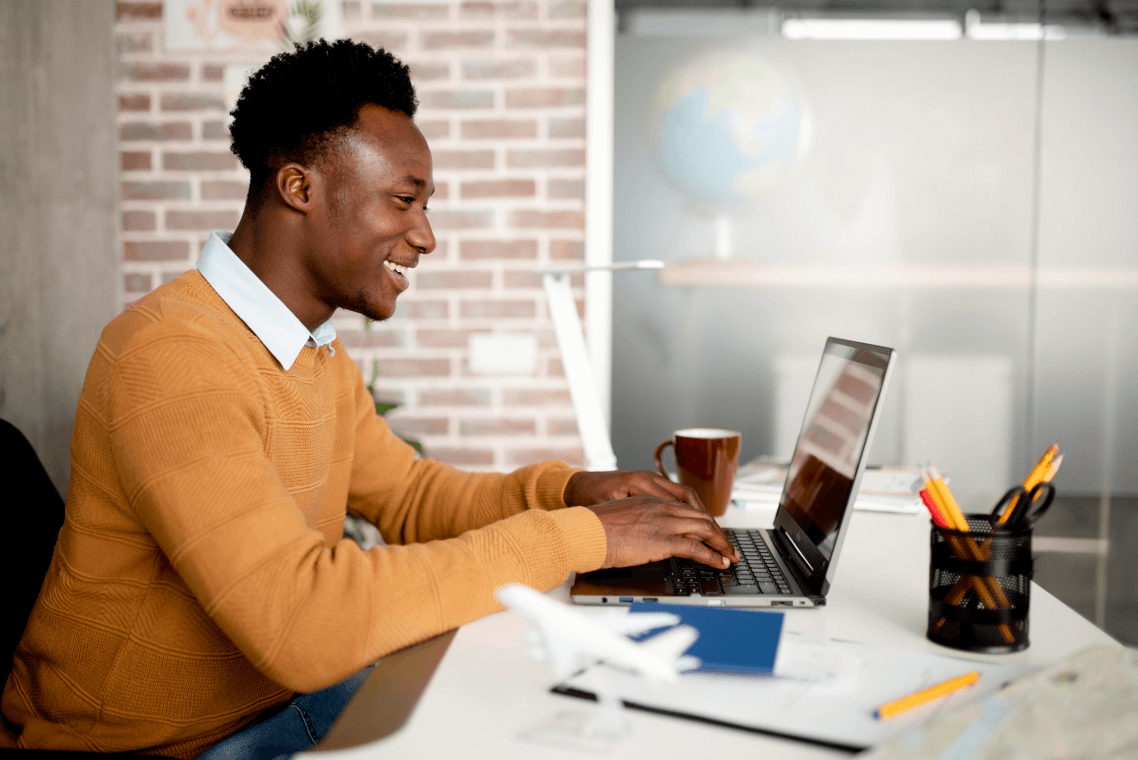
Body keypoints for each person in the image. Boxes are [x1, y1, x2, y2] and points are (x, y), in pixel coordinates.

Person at [0, 40, 737, 758]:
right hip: (165, 746)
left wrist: (572, 491)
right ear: (299, 188)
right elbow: (303, 620)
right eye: (404, 200)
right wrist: (585, 537)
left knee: (538, 695)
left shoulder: (312, 353)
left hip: (269, 708)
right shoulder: (171, 358)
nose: (426, 236)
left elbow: (411, 498)